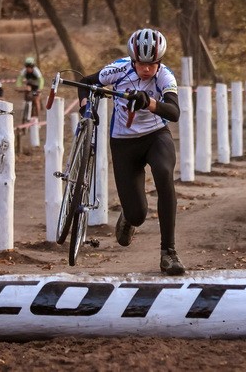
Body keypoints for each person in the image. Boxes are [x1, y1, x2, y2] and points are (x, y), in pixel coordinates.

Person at [77, 28, 184, 276]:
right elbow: (85, 83)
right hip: (124, 143)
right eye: (141, 64)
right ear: (133, 59)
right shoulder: (117, 70)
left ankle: (168, 252)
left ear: (159, 62)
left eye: (152, 64)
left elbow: (174, 113)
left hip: (156, 137)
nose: (146, 69)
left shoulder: (165, 77)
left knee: (164, 173)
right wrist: (86, 109)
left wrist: (150, 102)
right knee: (137, 215)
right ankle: (129, 216)